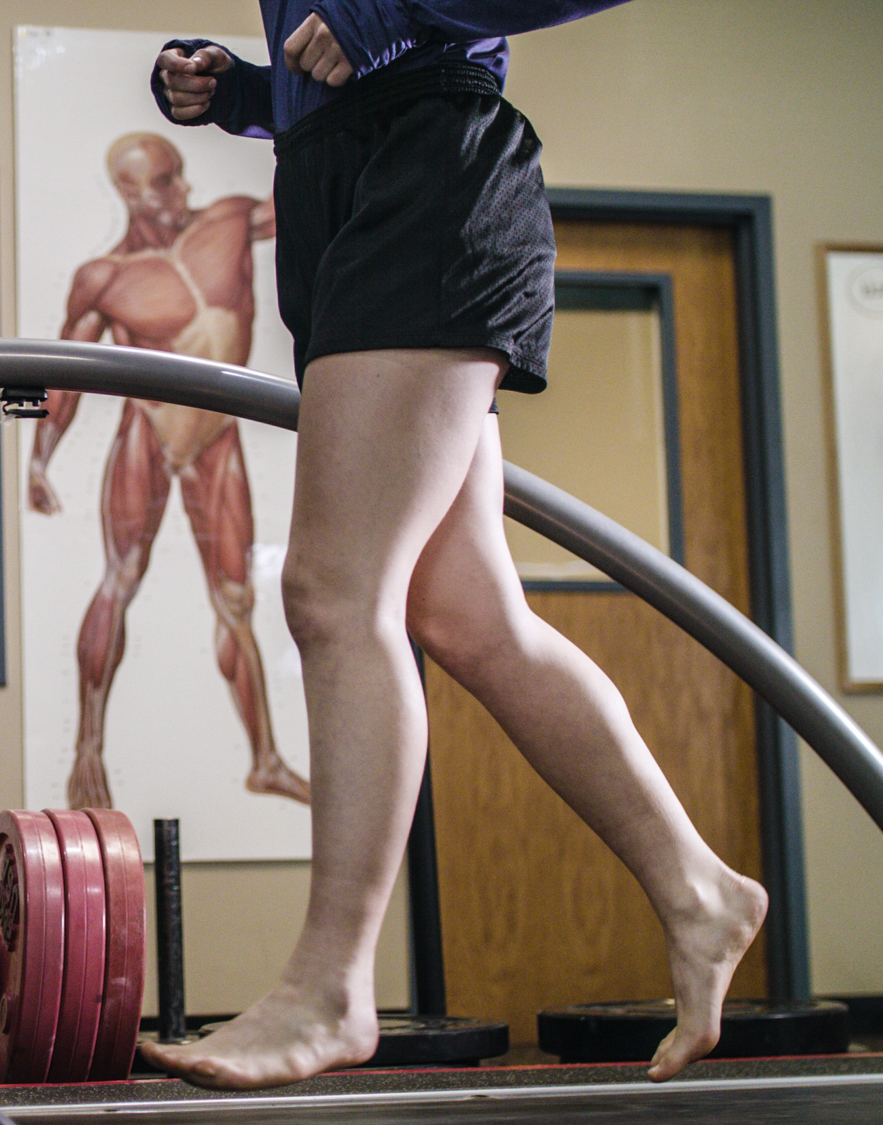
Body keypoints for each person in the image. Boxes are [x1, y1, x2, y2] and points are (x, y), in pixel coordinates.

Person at [134, 2, 767, 1090]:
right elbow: (334, 50)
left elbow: (389, 29)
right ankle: (698, 892)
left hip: (428, 167)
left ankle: (329, 989)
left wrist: (381, 9)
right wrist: (239, 92)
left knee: (334, 593)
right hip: (336, 175)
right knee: (466, 616)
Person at [28, 132, 311, 811]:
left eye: (181, 174)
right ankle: (88, 747)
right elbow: (55, 375)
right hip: (148, 431)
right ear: (130, 192)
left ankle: (265, 759)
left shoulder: (232, 220)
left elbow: (307, 196)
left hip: (216, 435)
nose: (183, 189)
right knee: (119, 578)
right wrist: (37, 457)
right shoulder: (105, 279)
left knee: (237, 603)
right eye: (164, 180)